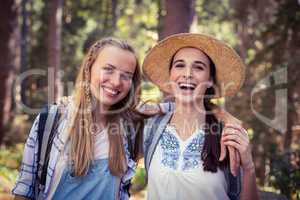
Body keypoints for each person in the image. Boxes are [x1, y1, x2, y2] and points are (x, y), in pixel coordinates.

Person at [13, 37, 144, 200]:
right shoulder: (51, 120)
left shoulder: (132, 129)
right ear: (89, 69)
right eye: (108, 69)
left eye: (126, 75)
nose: (116, 82)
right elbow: (24, 190)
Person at [142, 33, 260, 200]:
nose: (188, 73)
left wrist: (249, 168)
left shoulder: (227, 134)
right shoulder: (151, 127)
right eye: (179, 65)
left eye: (198, 67)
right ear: (170, 75)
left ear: (210, 80)